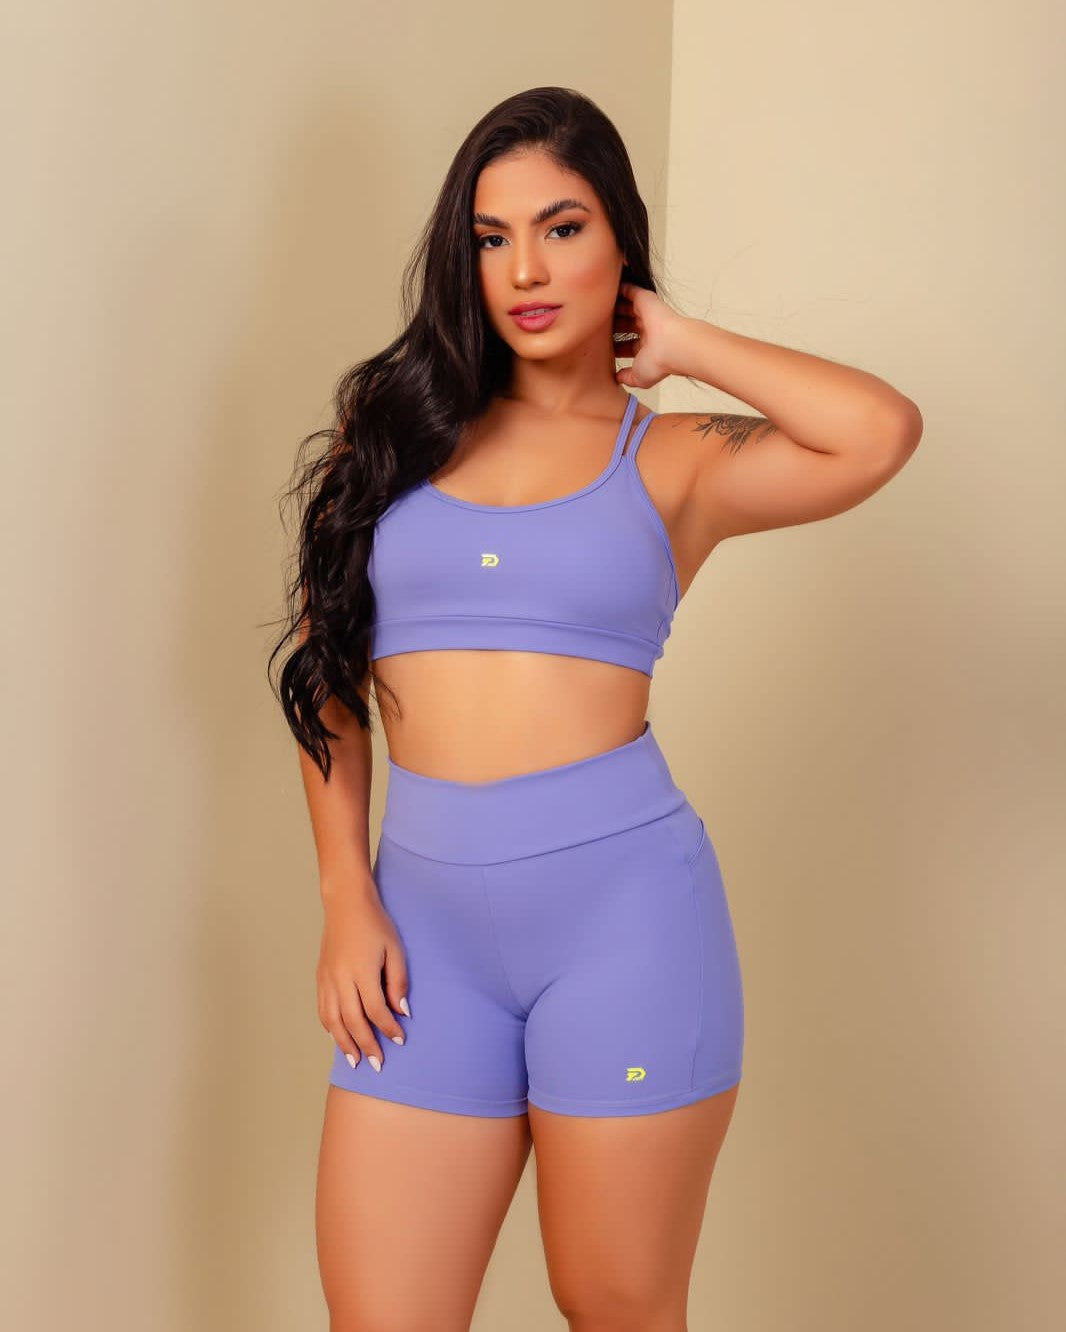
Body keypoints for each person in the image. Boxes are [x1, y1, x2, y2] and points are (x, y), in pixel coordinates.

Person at [269, 85, 922, 1332]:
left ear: (619, 237)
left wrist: (682, 342)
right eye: (492, 236)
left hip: (624, 923)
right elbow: (328, 673)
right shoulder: (391, 435)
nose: (524, 269)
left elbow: (878, 432)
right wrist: (345, 895)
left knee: (615, 1302)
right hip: (421, 934)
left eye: (562, 229)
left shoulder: (672, 460)